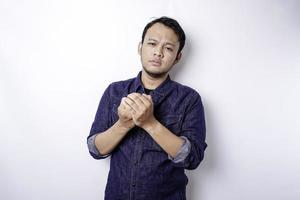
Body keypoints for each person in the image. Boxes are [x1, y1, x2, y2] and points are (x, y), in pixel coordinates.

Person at [87, 16, 207, 200]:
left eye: (168, 48)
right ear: (140, 47)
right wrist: (123, 124)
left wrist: (150, 123)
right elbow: (95, 149)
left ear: (177, 57)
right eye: (152, 43)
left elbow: (192, 158)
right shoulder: (115, 91)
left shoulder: (189, 99)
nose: (158, 52)